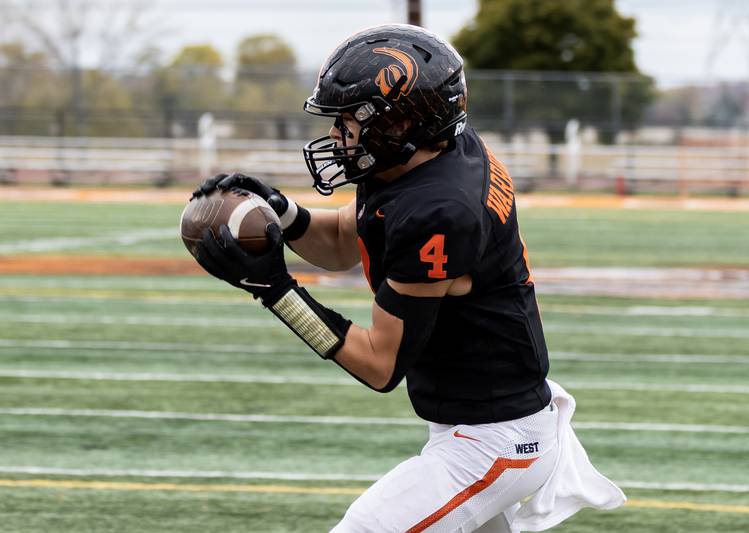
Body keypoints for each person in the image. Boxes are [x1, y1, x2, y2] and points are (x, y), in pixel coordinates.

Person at [191, 24, 624, 533]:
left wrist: (277, 292)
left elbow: (380, 364)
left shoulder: (439, 209)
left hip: (496, 439)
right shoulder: (423, 161)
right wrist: (282, 213)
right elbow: (342, 243)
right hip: (479, 424)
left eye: (348, 120)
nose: (336, 135)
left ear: (397, 124)